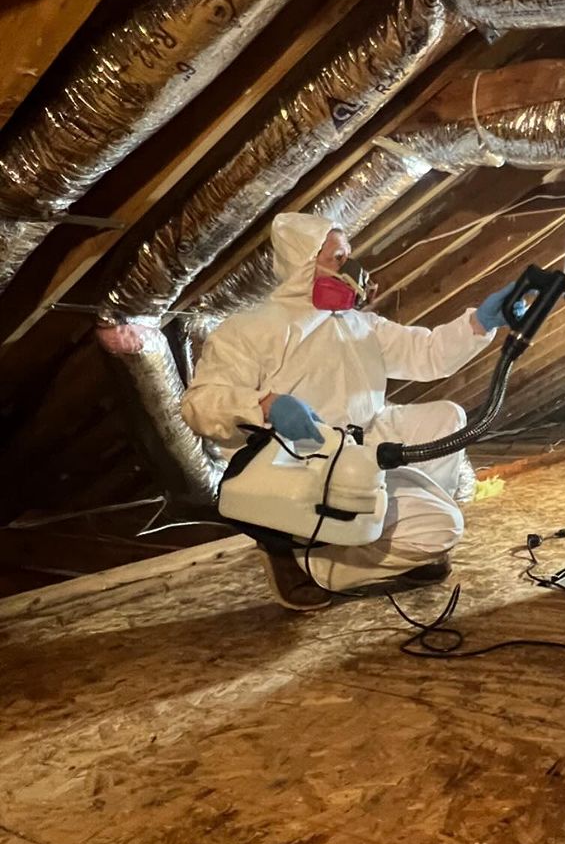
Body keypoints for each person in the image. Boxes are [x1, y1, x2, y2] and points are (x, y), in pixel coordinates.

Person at [181, 212, 517, 611]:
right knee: (443, 529)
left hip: (359, 446)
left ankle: (380, 539)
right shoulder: (250, 330)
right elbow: (200, 402)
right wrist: (265, 405)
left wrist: (479, 322)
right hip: (306, 460)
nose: (353, 270)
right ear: (305, 263)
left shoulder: (358, 325)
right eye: (339, 259)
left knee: (447, 420)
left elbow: (426, 355)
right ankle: (314, 561)